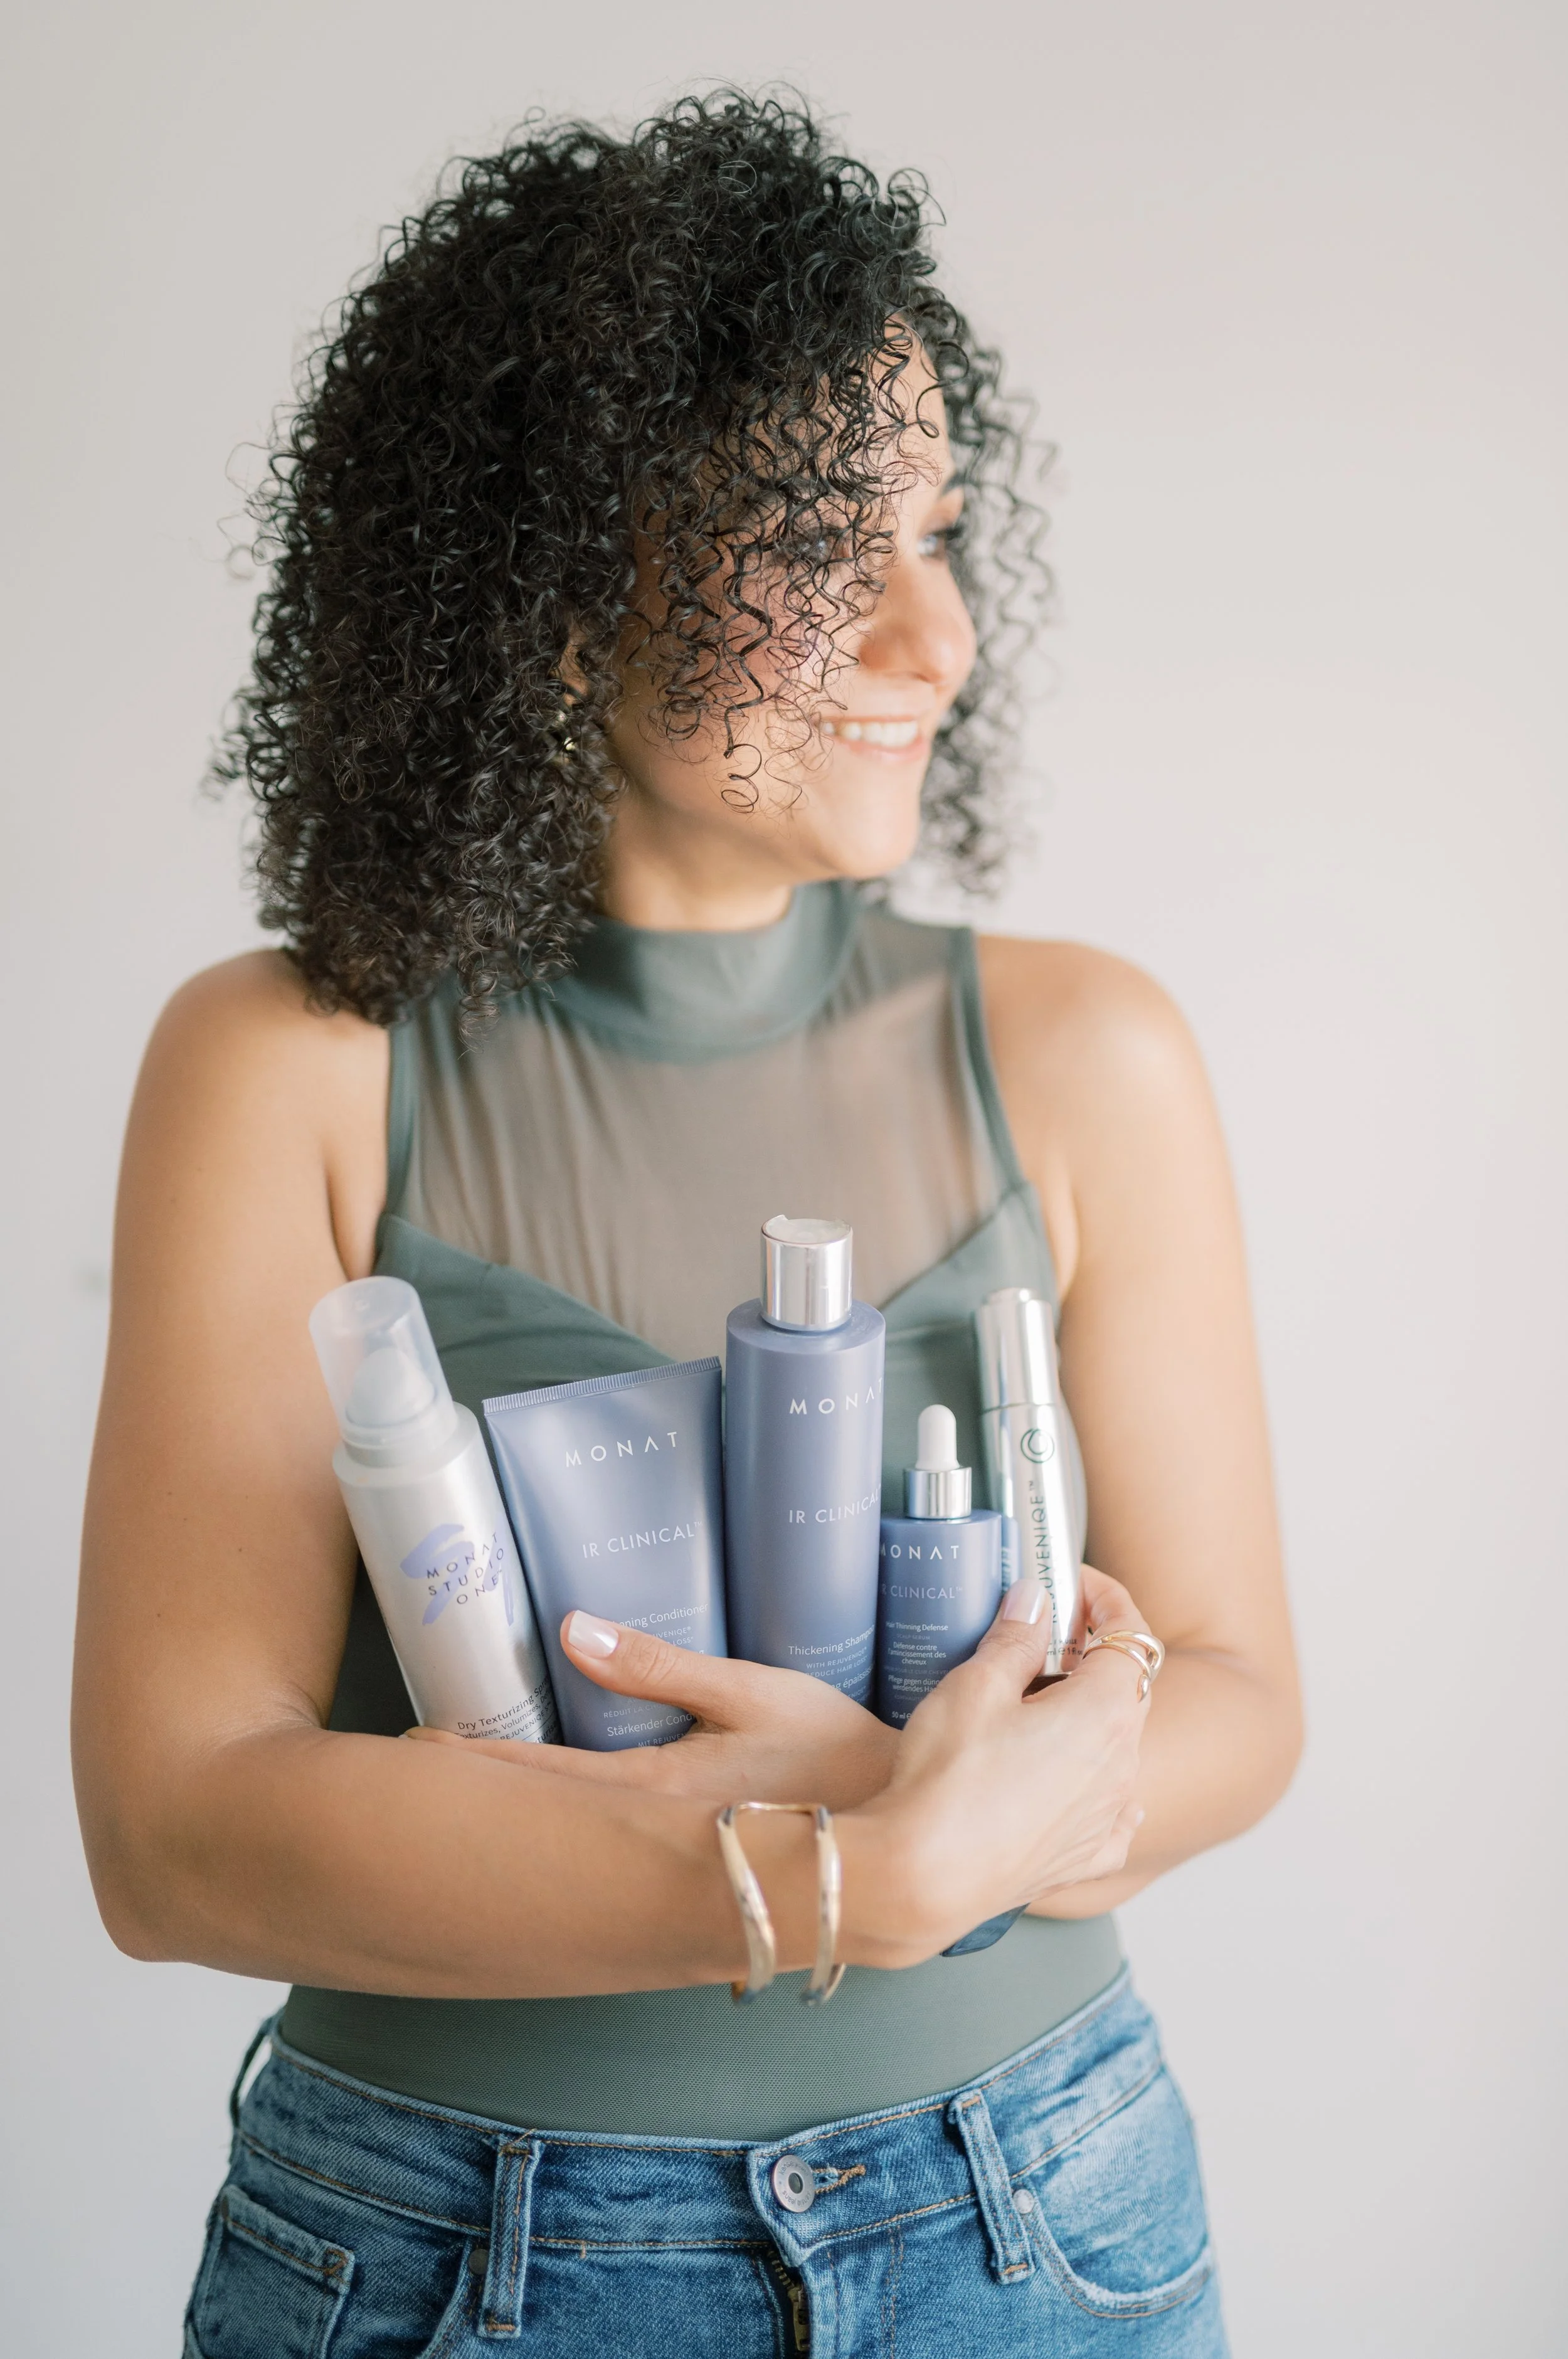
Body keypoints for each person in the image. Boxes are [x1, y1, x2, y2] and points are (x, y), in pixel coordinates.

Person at [74, 93, 1300, 2358]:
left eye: (940, 534)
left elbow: (1237, 1693)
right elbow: (176, 1836)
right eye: (825, 549)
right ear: (558, 599)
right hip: (459, 2254)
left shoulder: (1086, 1051)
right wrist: (860, 1873)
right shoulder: (289, 1066)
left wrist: (1001, 1802)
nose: (936, 635)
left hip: (1043, 2222)